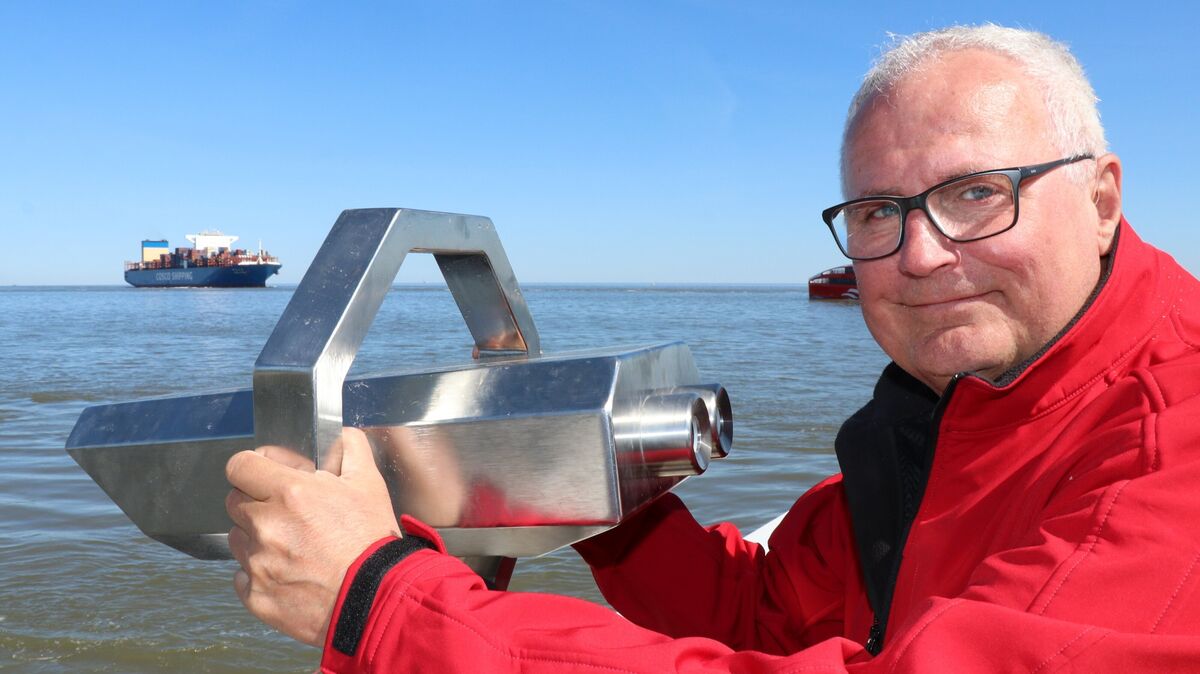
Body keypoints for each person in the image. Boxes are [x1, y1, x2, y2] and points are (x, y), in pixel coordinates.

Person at [225, 25, 1200, 672]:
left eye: (978, 191)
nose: (922, 253)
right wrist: (588, 490)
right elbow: (759, 614)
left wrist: (380, 604)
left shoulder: (1172, 435)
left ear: (1104, 198)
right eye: (877, 211)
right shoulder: (945, 416)